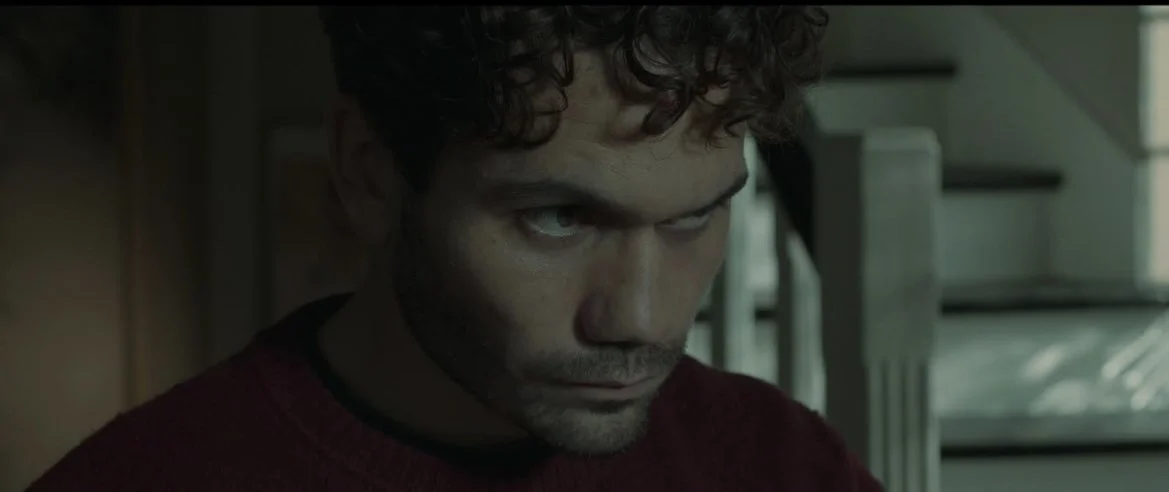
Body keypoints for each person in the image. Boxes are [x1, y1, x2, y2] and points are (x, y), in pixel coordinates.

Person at [31, 6, 883, 491]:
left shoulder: (779, 467)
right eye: (558, 219)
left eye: (691, 219)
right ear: (371, 176)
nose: (640, 318)